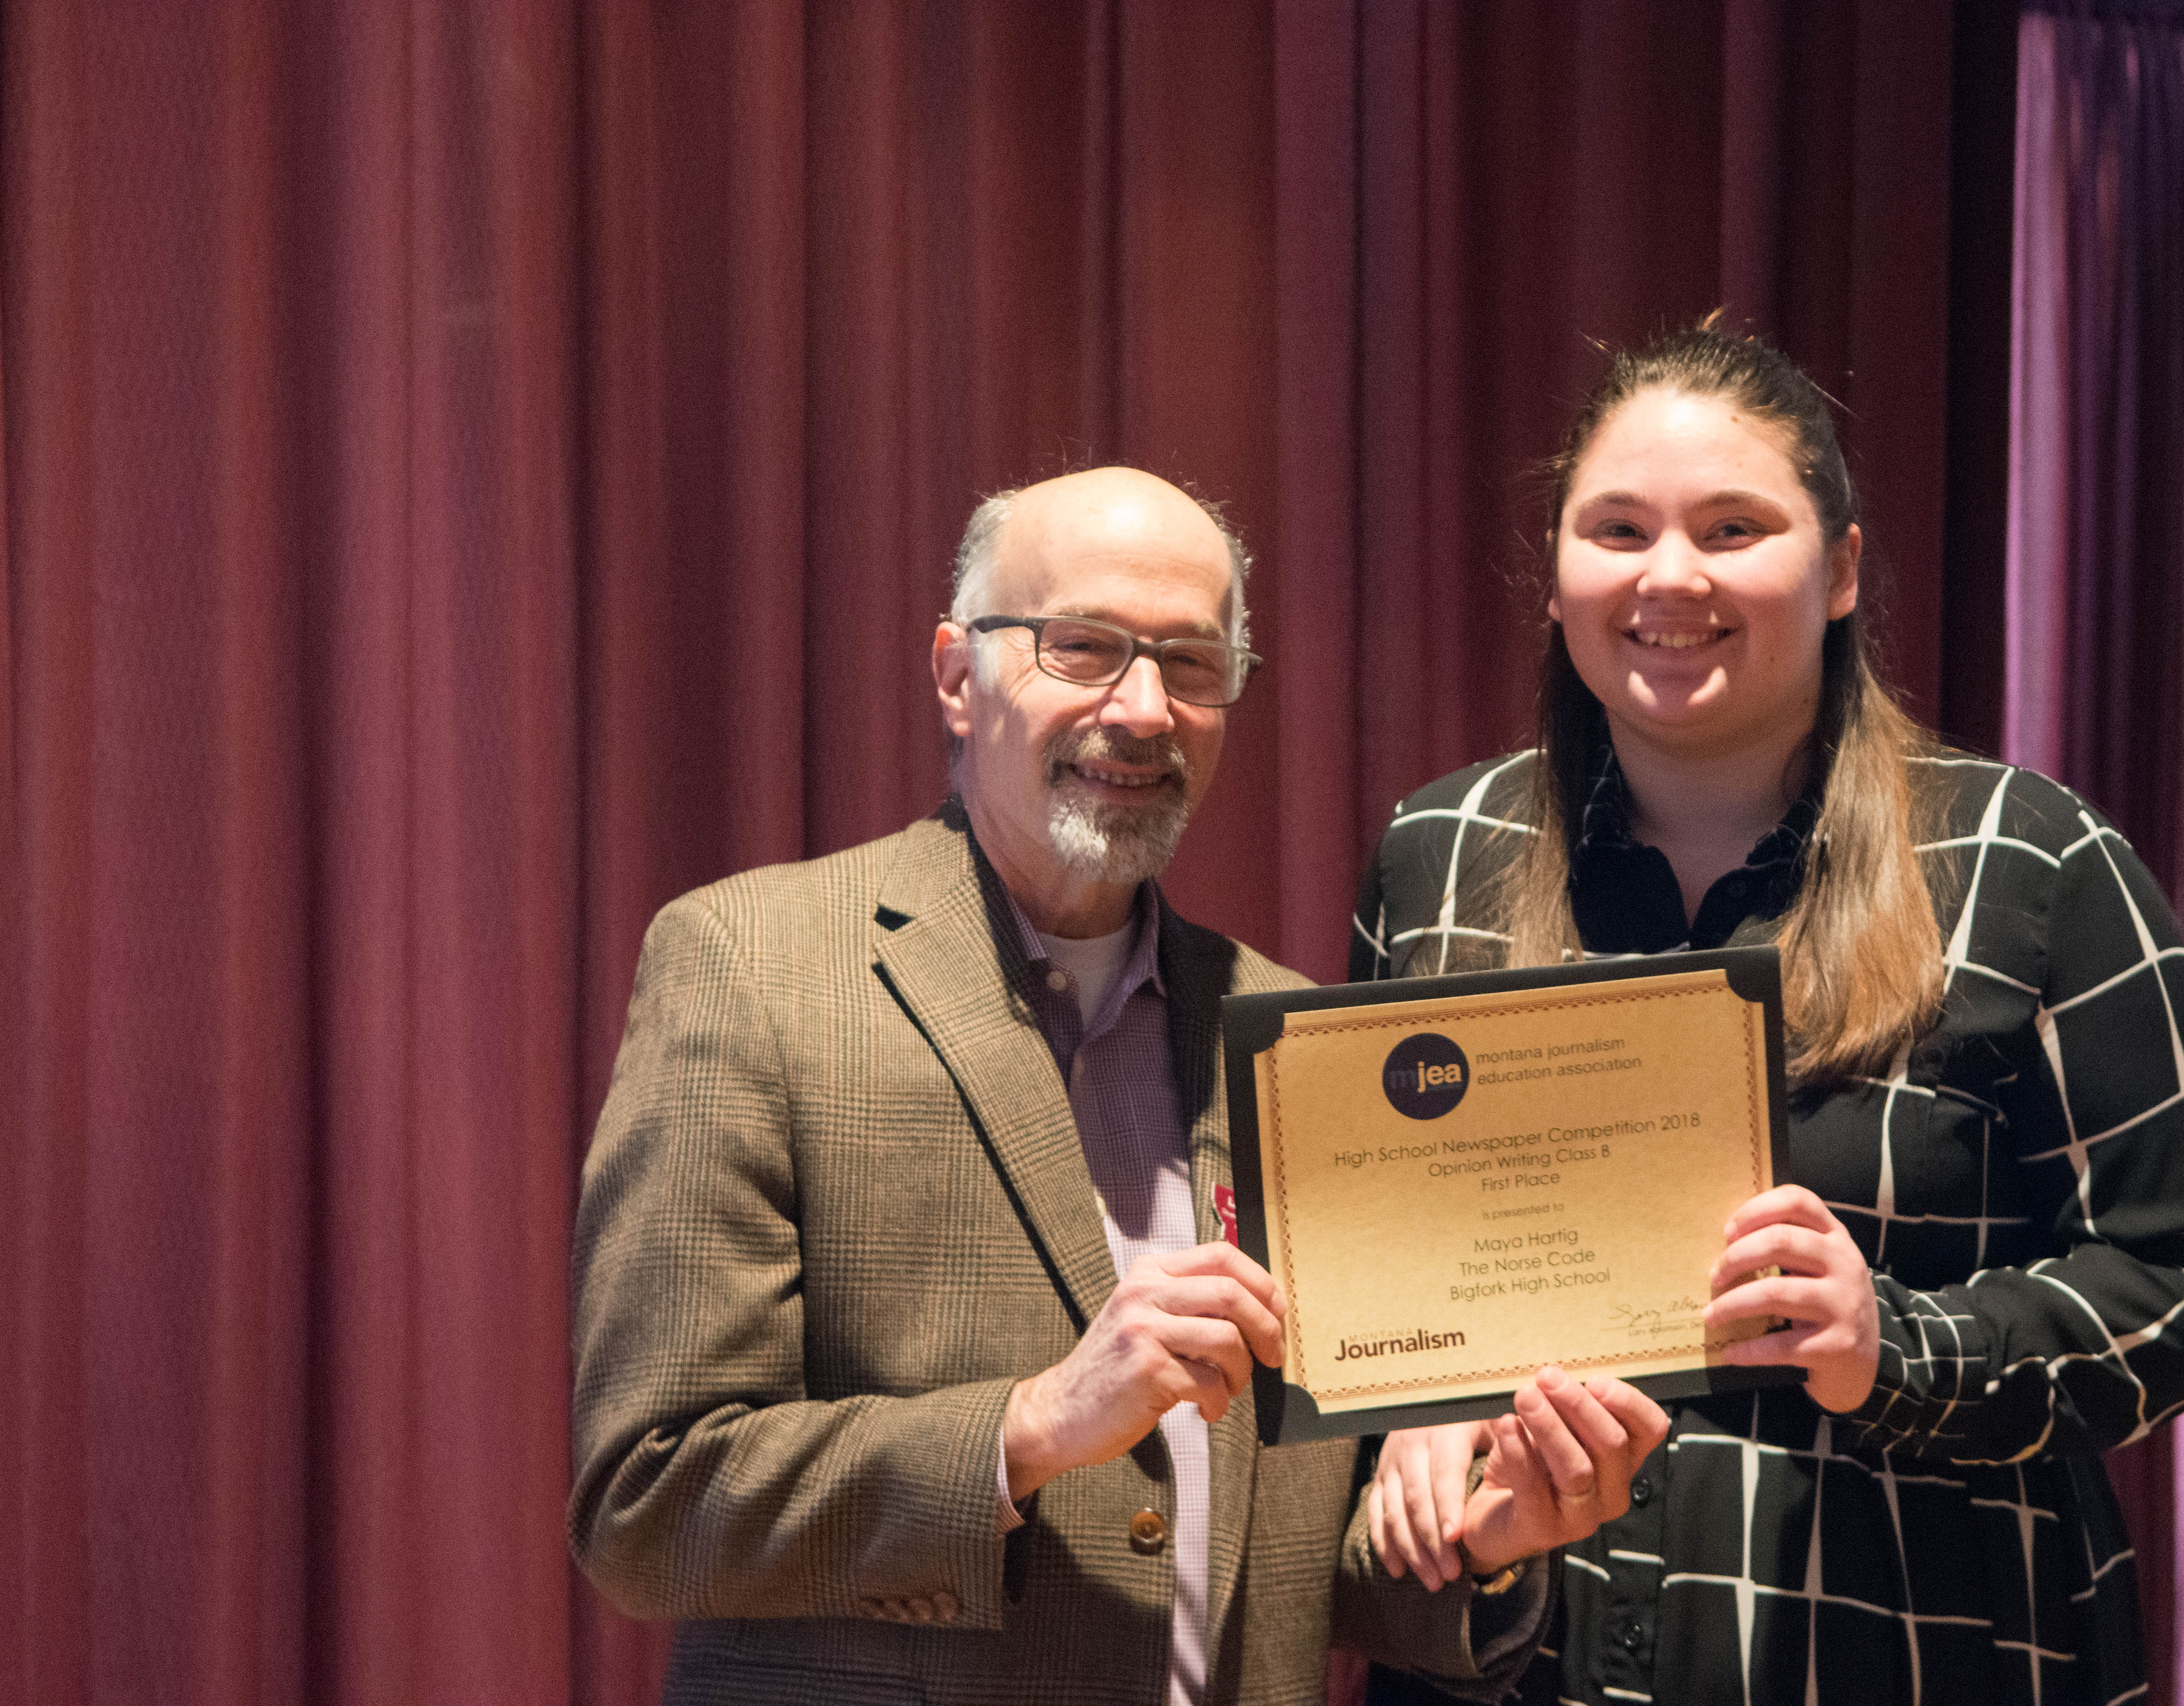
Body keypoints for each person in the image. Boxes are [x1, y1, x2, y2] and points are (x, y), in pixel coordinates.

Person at [569, 465, 1671, 1706]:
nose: (1144, 710)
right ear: (957, 676)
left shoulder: (1288, 1040)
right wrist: (1033, 1426)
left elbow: (1298, 1565)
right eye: (1083, 648)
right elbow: (646, 1504)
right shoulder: (751, 966)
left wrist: (1484, 1537)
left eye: (1191, 664)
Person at [1349, 327, 2184, 1705]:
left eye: (1734, 529)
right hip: (1523, 1656)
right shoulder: (1440, 854)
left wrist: (1895, 1348)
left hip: (1915, 1648)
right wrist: (1410, 1406)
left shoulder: (2031, 866)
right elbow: (1368, 1249)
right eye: (1619, 530)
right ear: (1556, 571)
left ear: (1839, 572)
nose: (1671, 576)